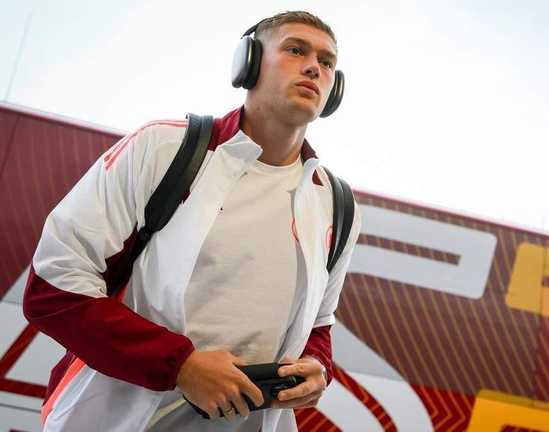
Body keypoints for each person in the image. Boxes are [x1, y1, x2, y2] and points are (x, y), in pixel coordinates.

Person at [22, 10, 361, 432]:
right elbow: (53, 287)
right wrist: (181, 366)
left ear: (334, 89)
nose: (314, 67)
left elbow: (318, 325)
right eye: (295, 50)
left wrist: (316, 365)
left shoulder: (337, 205)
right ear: (249, 62)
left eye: (327, 62)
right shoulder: (163, 148)